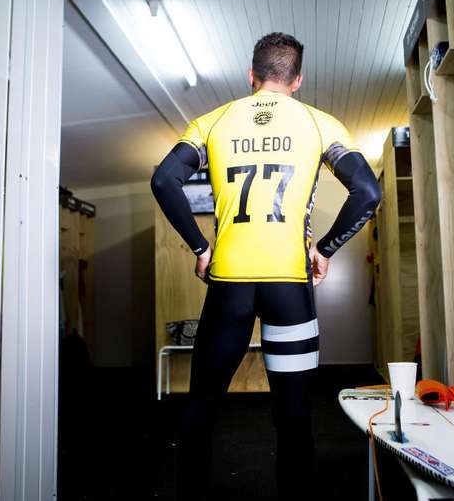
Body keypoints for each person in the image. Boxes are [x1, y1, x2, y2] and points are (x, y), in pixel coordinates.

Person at [151, 32, 382, 500]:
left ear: (251, 76)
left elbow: (163, 180)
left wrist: (200, 247)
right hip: (289, 289)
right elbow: (368, 193)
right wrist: (326, 249)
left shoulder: (211, 122)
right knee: (293, 417)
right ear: (297, 79)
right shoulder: (321, 124)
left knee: (202, 408)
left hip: (229, 285)